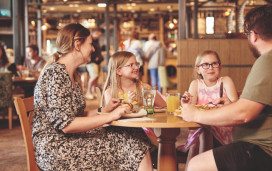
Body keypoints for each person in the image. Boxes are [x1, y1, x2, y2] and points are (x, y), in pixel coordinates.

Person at [33, 23, 153, 171]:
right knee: (132, 140)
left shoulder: (71, 73)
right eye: (90, 44)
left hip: (68, 140)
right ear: (77, 45)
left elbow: (76, 114)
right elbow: (67, 125)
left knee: (133, 134)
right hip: (56, 148)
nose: (93, 48)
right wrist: (112, 116)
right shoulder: (56, 74)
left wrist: (105, 109)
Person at [181, 5, 272, 171]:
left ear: (253, 36)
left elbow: (243, 114)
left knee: (195, 165)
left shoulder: (267, 60)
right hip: (257, 144)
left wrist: (194, 113)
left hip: (264, 148)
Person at [180, 50, 238, 169]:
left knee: (204, 130)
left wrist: (229, 104)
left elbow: (237, 108)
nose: (210, 67)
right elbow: (189, 110)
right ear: (198, 69)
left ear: (220, 66)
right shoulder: (195, 84)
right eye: (205, 65)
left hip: (224, 129)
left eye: (214, 64)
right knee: (203, 129)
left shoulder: (225, 81)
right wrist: (185, 103)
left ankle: (197, 166)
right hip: (199, 129)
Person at [101, 51, 166, 107]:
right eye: (131, 65)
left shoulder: (146, 89)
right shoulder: (110, 92)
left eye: (137, 64)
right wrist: (128, 102)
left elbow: (164, 107)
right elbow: (110, 112)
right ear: (119, 71)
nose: (136, 68)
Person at [85, 28, 104, 100]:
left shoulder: (96, 41)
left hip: (96, 62)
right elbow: (89, 51)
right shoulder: (89, 40)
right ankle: (88, 92)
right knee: (94, 77)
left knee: (96, 78)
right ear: (94, 33)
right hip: (91, 62)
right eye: (99, 35)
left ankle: (93, 92)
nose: (99, 36)